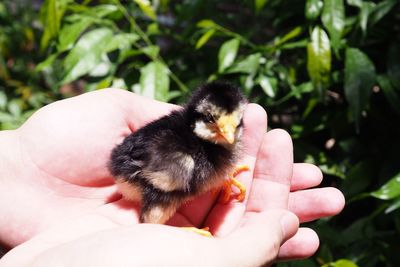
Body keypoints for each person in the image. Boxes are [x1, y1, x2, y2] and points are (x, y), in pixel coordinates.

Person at [0, 89, 344, 267]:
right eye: (214, 121)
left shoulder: (219, 146)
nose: (225, 130)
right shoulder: (182, 155)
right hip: (143, 179)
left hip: (144, 162)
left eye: (231, 121)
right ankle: (163, 223)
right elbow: (158, 182)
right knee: (173, 178)